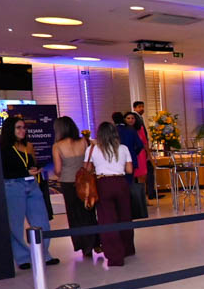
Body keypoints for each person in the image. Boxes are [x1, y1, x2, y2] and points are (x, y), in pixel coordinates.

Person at [0, 116, 59, 269]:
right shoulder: (3, 149)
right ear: (10, 130)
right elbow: (4, 171)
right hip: (13, 186)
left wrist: (36, 168)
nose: (23, 130)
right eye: (18, 128)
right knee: (16, 225)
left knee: (42, 221)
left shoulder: (28, 146)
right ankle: (23, 258)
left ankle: (43, 254)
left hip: (32, 185)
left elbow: (31, 163)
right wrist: (24, 172)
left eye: (24, 127)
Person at [52, 116, 100, 257]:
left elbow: (58, 170)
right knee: (88, 212)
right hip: (85, 182)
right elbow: (90, 163)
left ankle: (83, 246)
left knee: (74, 215)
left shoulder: (57, 146)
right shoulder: (84, 141)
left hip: (68, 182)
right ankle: (95, 242)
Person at [90, 122, 135, 266]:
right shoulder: (123, 148)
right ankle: (127, 249)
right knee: (125, 217)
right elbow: (129, 170)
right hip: (121, 183)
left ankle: (115, 255)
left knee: (107, 220)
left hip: (103, 184)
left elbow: (88, 169)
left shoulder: (93, 149)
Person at [125, 111, 154, 202]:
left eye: (132, 118)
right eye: (128, 118)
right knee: (131, 178)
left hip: (140, 155)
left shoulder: (140, 129)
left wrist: (149, 155)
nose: (130, 120)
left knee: (142, 177)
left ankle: (144, 200)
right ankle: (133, 200)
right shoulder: (124, 130)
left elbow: (145, 143)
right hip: (129, 155)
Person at [111, 111, 143, 183]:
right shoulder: (131, 130)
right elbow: (140, 145)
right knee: (129, 182)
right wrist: (134, 153)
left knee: (118, 182)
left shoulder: (112, 131)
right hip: (131, 159)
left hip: (116, 159)